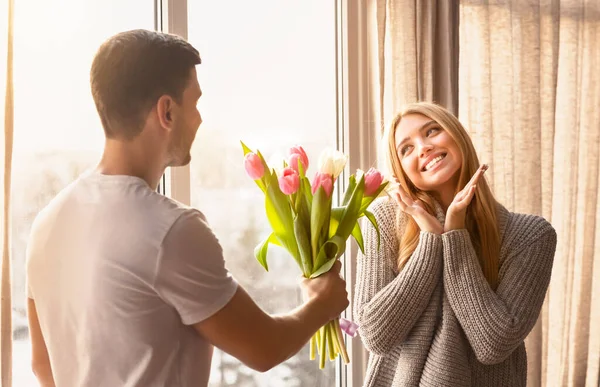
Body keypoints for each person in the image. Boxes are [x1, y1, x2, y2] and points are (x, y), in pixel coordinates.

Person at [25, 29, 349, 387]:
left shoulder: (48, 222)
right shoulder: (170, 229)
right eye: (194, 103)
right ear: (166, 111)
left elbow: (42, 365)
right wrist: (322, 303)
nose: (198, 119)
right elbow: (263, 348)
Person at [353, 102, 557, 387]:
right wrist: (429, 239)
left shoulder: (531, 236)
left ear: (457, 135)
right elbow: (376, 335)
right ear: (401, 171)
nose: (423, 147)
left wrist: (454, 236)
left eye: (432, 131)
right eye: (406, 148)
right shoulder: (383, 220)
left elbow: (492, 343)